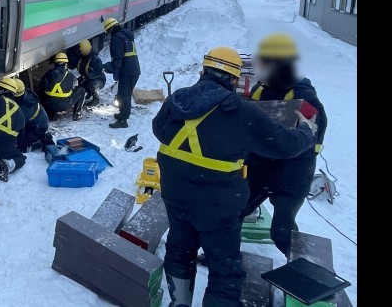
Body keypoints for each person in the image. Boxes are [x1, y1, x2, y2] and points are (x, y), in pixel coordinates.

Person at [152, 46, 317, 307]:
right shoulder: (240, 112)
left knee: (179, 249)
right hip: (218, 204)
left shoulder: (178, 100)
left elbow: (160, 131)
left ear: (203, 71)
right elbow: (284, 145)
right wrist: (307, 131)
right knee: (224, 267)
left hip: (176, 193)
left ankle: (179, 303)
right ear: (234, 79)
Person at [239, 33, 328, 256]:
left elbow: (311, 143)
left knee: (282, 230)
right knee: (234, 212)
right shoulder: (261, 90)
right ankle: (223, 256)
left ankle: (303, 272)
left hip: (291, 175)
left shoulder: (305, 99)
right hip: (260, 170)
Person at [103, 18, 140, 129]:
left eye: (108, 31)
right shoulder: (127, 35)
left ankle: (123, 120)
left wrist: (115, 73)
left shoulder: (117, 38)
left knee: (123, 96)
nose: (108, 34)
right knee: (125, 94)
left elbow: (118, 59)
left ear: (111, 29)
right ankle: (122, 114)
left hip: (126, 71)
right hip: (134, 70)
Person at [39, 52, 87, 121]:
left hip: (49, 104)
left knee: (47, 94)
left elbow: (42, 86)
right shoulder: (70, 76)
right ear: (65, 63)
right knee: (81, 90)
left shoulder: (48, 73)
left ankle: (52, 115)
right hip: (64, 105)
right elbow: (75, 88)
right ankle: (77, 114)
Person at [12, 79, 51, 153]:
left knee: (20, 147)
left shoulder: (24, 107)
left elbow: (18, 126)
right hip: (34, 123)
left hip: (37, 128)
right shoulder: (25, 95)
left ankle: (38, 142)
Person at [76, 39, 106, 107]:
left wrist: (87, 76)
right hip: (87, 79)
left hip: (99, 80)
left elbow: (99, 72)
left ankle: (96, 99)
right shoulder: (81, 58)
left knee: (93, 84)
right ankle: (82, 96)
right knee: (77, 85)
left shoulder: (95, 59)